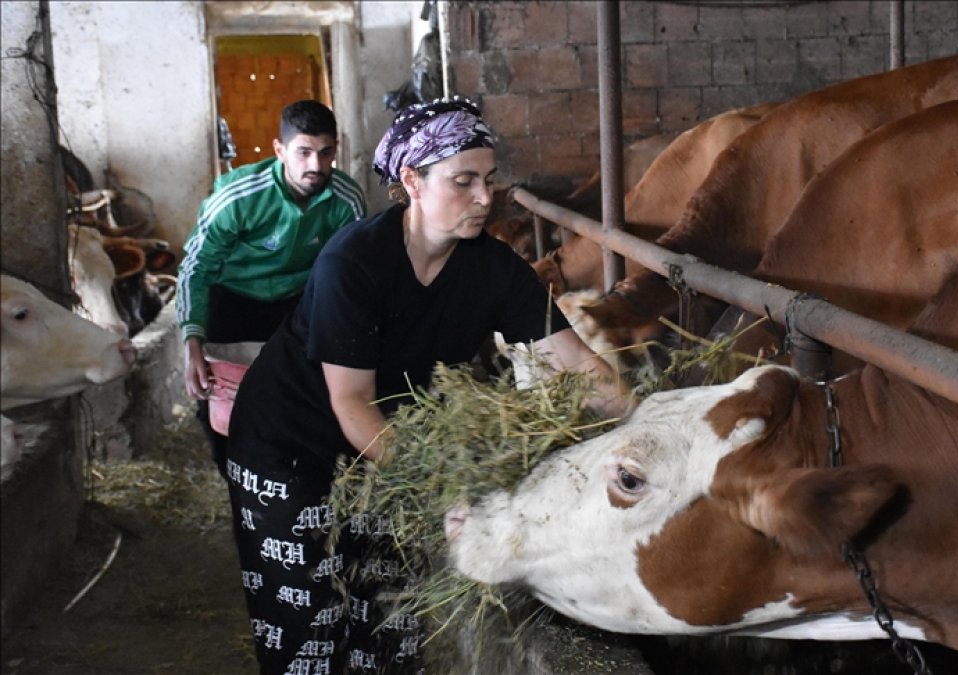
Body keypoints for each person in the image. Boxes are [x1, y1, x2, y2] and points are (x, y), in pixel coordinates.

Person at [223, 97, 626, 674]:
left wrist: (650, 421)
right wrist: (438, 495)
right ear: (412, 180)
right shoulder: (354, 263)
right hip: (293, 444)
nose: (485, 198)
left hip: (395, 447)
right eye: (463, 181)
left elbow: (580, 365)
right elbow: (351, 401)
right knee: (310, 628)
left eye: (489, 180)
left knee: (391, 624)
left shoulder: (493, 269)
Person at [177, 100, 366, 471]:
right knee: (220, 403)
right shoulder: (238, 197)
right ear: (280, 150)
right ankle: (233, 476)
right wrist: (191, 340)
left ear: (335, 150)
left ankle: (289, 478)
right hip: (231, 299)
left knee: (298, 396)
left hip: (297, 303)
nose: (315, 165)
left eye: (326, 153)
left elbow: (353, 275)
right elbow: (196, 269)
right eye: (304, 152)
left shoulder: (346, 201)